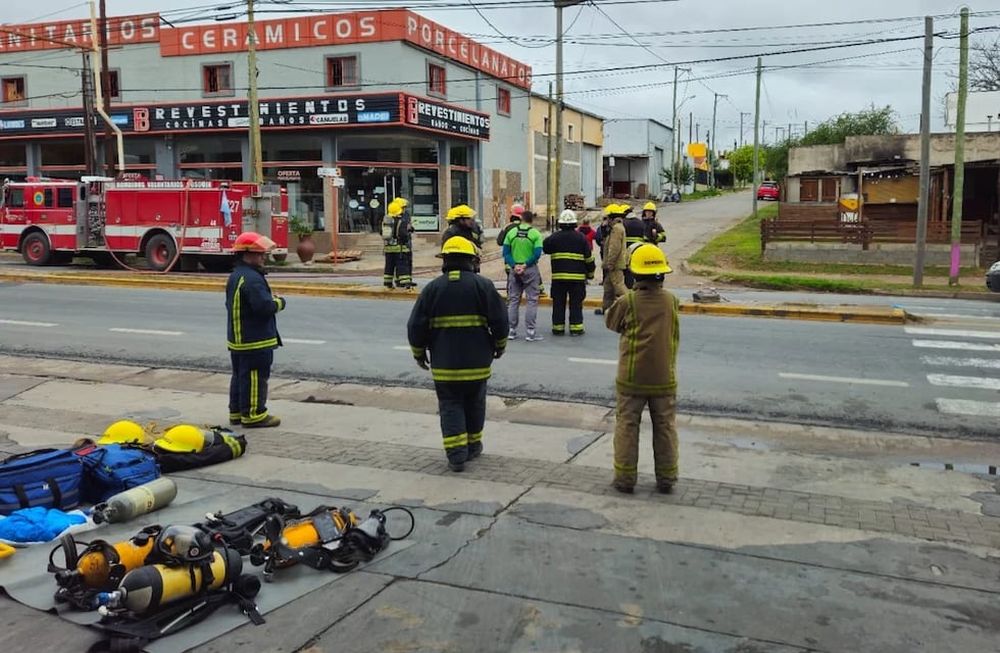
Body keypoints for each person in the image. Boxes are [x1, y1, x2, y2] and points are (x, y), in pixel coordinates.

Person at [407, 237, 509, 472]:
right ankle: (473, 446)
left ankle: (456, 455)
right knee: (475, 403)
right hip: (478, 364)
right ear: (471, 260)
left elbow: (415, 326)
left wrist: (418, 353)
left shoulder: (432, 289)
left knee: (450, 405)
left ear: (445, 261)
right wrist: (500, 345)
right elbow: (501, 321)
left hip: (445, 366)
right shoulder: (483, 286)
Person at [605, 244, 679, 495]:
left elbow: (611, 323)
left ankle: (625, 479)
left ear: (635, 274)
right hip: (663, 377)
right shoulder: (671, 301)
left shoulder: (628, 301)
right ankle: (667, 479)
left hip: (632, 378)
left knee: (627, 425)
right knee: (665, 427)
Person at [226, 231, 285, 428]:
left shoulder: (237, 276)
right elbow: (263, 307)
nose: (263, 258)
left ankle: (236, 412)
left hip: (239, 340)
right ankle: (254, 414)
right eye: (260, 254)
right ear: (247, 254)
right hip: (255, 340)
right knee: (254, 377)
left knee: (240, 376)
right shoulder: (252, 279)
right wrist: (279, 302)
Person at [543, 209, 595, 336]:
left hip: (558, 279)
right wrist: (590, 274)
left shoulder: (554, 238)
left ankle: (558, 328)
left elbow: (545, 247)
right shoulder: (581, 238)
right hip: (577, 280)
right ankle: (576, 329)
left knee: (558, 304)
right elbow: (589, 258)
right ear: (574, 223)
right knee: (576, 304)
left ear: (560, 223)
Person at [503, 207, 545, 341]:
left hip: (514, 269)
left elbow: (505, 253)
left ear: (521, 219)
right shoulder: (535, 234)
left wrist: (515, 266)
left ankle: (511, 330)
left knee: (514, 300)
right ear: (531, 220)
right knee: (532, 300)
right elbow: (538, 253)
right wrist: (525, 265)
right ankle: (530, 332)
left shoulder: (511, 233)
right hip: (530, 269)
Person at [600, 204, 628, 315]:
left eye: (607, 218)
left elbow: (614, 248)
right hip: (612, 264)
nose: (606, 220)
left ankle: (630, 308)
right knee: (608, 288)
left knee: (619, 288)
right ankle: (606, 309)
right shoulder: (616, 228)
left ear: (612, 217)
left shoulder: (616, 229)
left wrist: (610, 263)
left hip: (615, 265)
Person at [382, 200, 414, 289]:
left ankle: (387, 282)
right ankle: (405, 283)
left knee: (389, 266)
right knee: (402, 265)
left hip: (388, 248)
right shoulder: (401, 221)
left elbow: (382, 232)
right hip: (400, 248)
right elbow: (403, 234)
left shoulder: (386, 220)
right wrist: (408, 235)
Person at [442, 204, 483, 272]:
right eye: (469, 218)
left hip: (472, 267)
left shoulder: (474, 229)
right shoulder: (451, 233)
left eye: (472, 218)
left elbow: (478, 245)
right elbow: (446, 253)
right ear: (461, 220)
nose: (472, 220)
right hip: (455, 268)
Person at [497, 204, 525, 277]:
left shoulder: (507, 227)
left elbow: (499, 242)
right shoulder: (527, 228)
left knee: (512, 285)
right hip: (525, 264)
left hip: (510, 264)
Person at [621, 204, 645, 288]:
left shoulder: (623, 223)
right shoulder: (641, 223)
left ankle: (629, 288)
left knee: (627, 271)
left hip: (626, 251)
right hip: (638, 250)